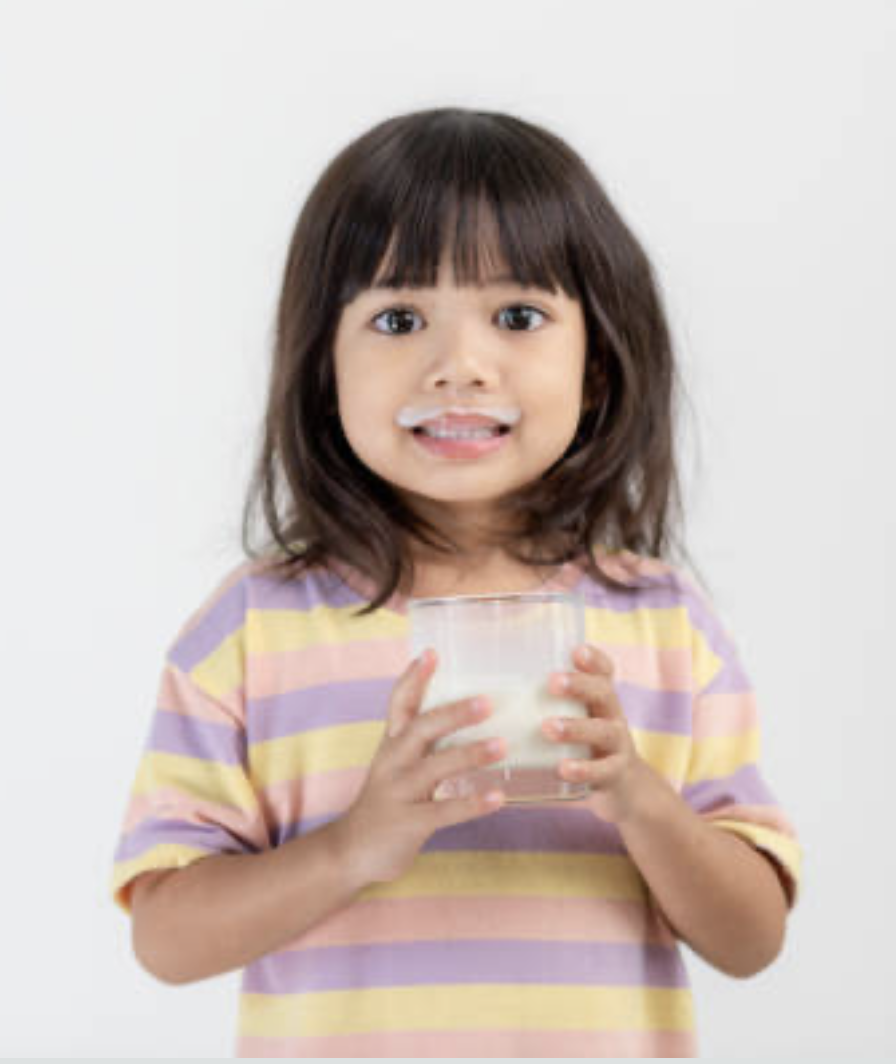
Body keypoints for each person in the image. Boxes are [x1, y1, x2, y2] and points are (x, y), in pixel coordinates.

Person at [108, 107, 802, 1057]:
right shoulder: (253, 630)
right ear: (324, 371)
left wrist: (638, 798)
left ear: (596, 367)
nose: (459, 367)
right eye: (399, 319)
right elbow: (168, 938)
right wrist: (357, 847)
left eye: (519, 316)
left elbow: (753, 938)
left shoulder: (664, 625)